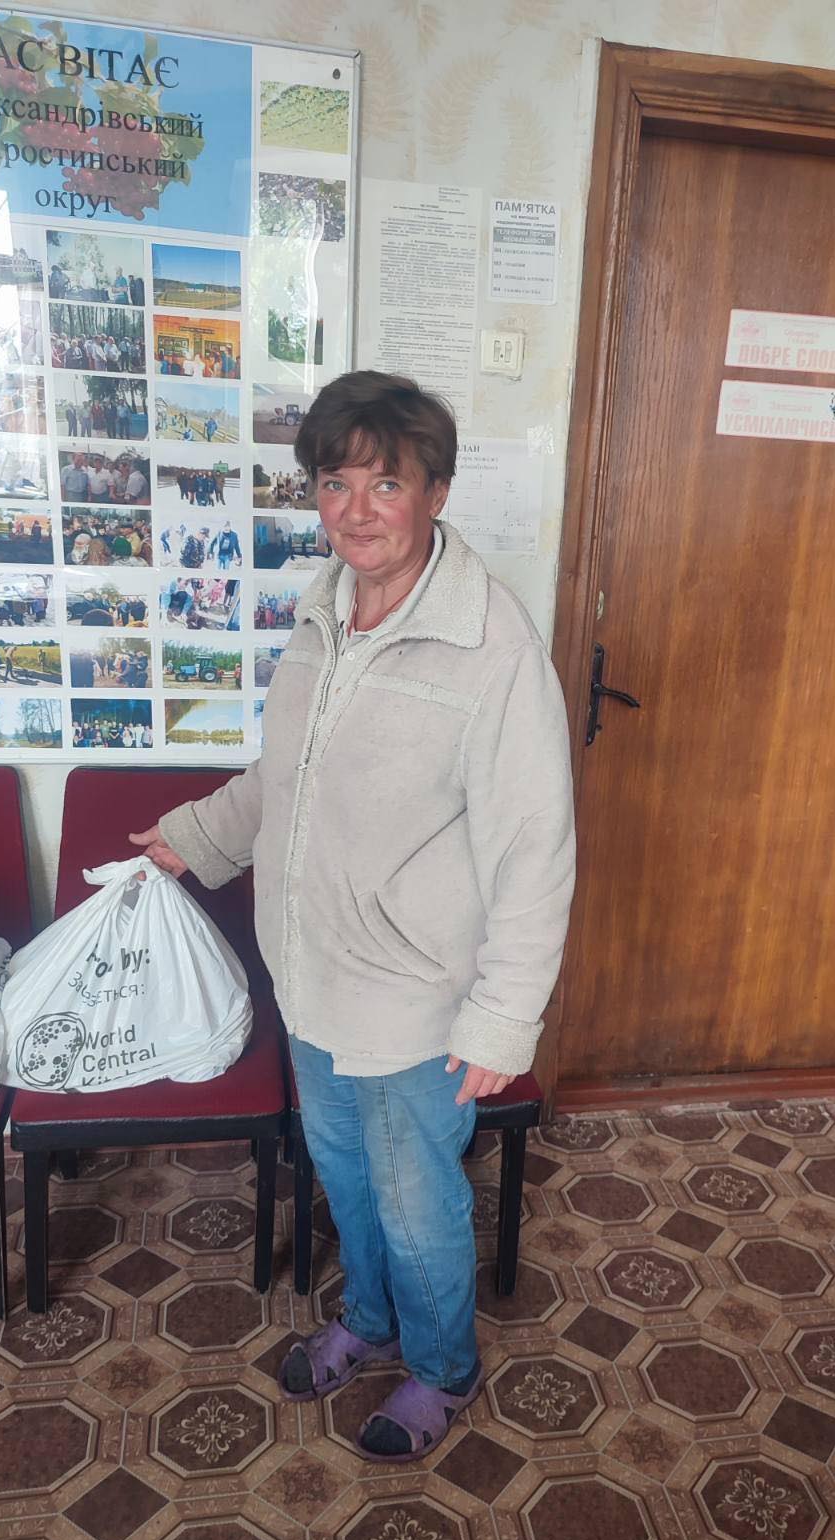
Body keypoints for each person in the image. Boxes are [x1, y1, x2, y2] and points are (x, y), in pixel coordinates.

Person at [129, 370, 575, 1463]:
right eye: (336, 483)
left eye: (387, 483)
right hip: (313, 970)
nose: (357, 509)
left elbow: (534, 844)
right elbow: (290, 771)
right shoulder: (323, 611)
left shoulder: (493, 647)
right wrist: (198, 835)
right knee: (346, 1178)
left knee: (418, 1203)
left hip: (416, 997)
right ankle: (369, 1321)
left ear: (436, 493)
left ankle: (442, 1368)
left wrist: (503, 1018)